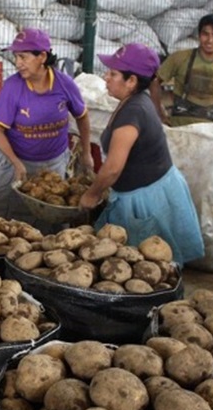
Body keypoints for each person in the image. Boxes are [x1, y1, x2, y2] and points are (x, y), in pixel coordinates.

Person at [80, 43, 203, 265]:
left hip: (146, 199)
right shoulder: (133, 101)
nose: (106, 77)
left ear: (132, 81)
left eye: (113, 73)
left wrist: (92, 194)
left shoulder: (134, 111)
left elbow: (113, 168)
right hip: (149, 188)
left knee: (149, 266)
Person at [0, 28, 92, 223]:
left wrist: (87, 153)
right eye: (15, 57)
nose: (18, 63)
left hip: (52, 164)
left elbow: (82, 116)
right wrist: (15, 162)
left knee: (45, 218)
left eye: (23, 57)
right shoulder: (13, 87)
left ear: (42, 56)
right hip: (12, 162)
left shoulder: (64, 84)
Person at [150, 14, 213, 151]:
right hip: (178, 132)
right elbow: (154, 82)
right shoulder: (180, 58)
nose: (210, 40)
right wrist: (159, 114)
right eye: (205, 34)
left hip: (209, 134)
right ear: (199, 35)